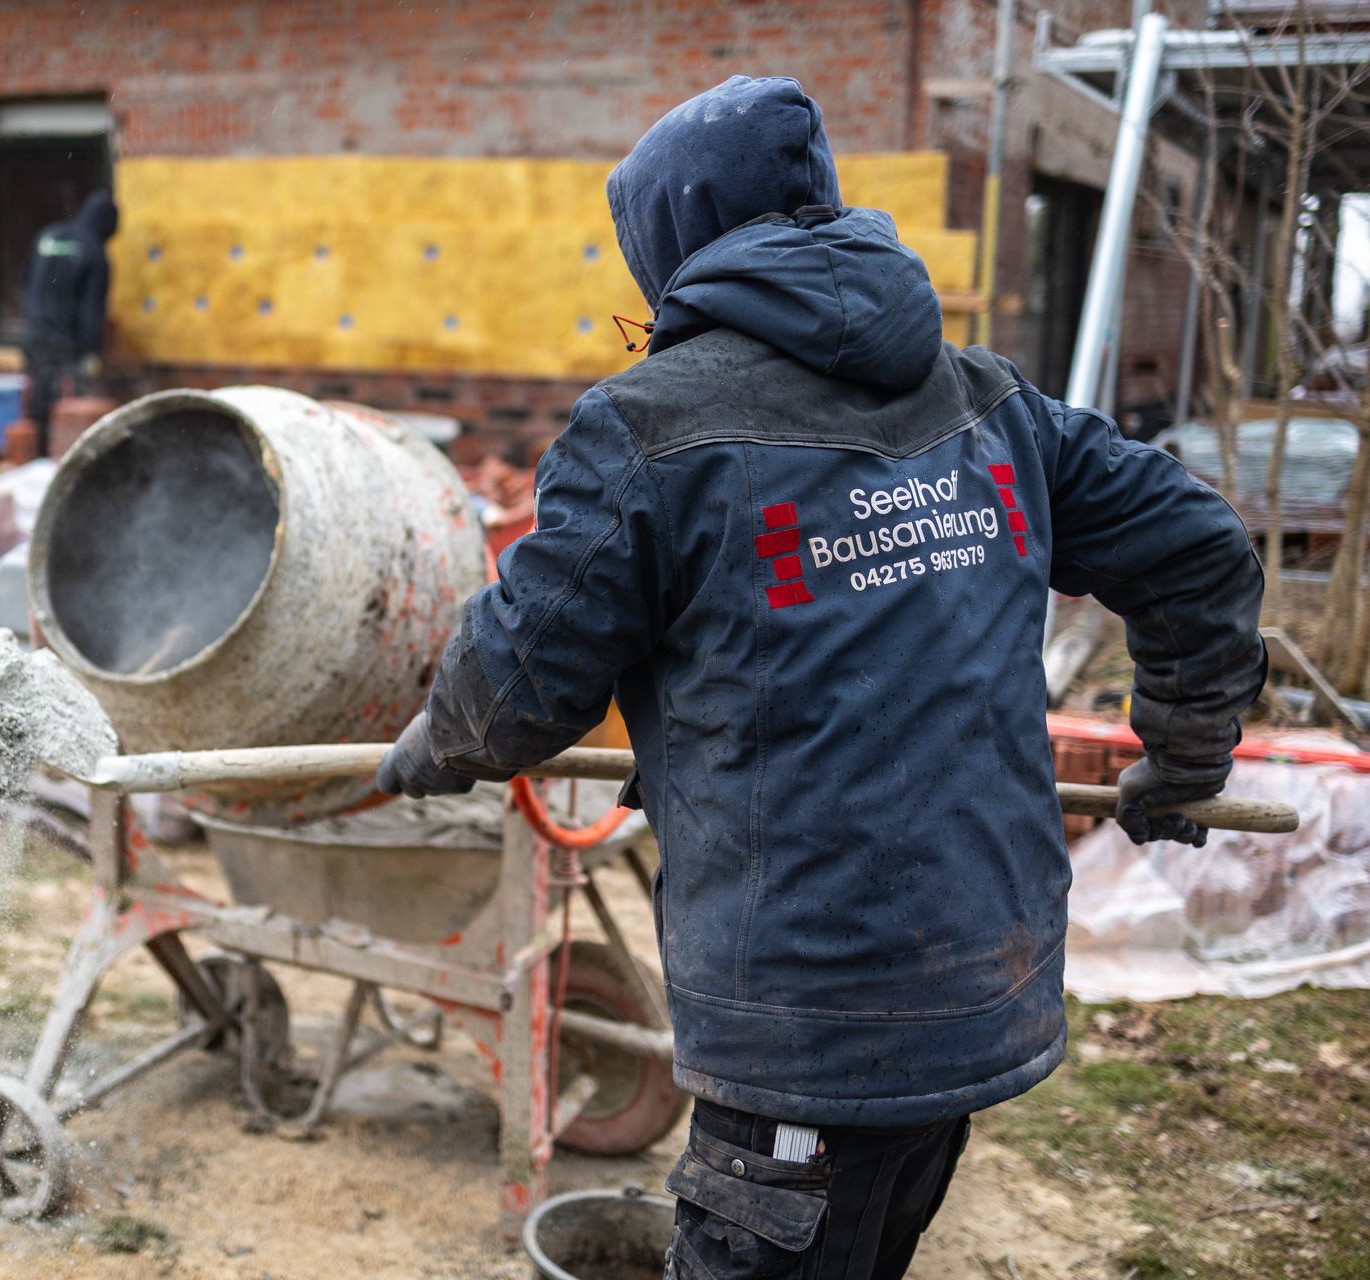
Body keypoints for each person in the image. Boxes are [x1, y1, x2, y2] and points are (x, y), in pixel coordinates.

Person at [377, 76, 1266, 1279]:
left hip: (811, 1015)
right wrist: (1189, 746)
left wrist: (434, 744)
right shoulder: (987, 398)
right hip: (982, 982)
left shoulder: (647, 431)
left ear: (672, 249)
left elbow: (517, 685)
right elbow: (1197, 547)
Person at [21, 191, 117, 454]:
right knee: (68, 410)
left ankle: (34, 459)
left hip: (33, 335)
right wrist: (90, 353)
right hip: (65, 343)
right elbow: (91, 310)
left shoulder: (47, 235)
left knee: (37, 403)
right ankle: (60, 464)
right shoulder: (95, 253)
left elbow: (26, 281)